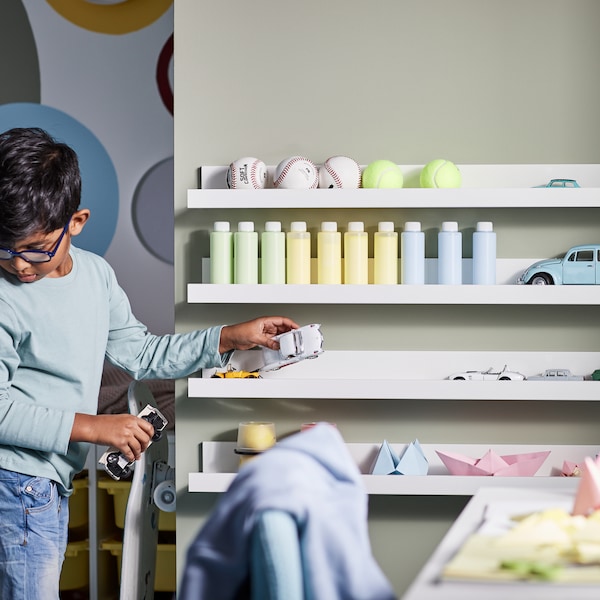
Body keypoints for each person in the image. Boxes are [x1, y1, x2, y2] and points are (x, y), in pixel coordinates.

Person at [0, 126, 298, 599]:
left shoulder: (96, 276)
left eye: (35, 248)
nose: (19, 264)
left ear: (76, 222)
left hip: (48, 482)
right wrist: (96, 427)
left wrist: (227, 336)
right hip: (14, 480)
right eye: (5, 248)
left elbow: (142, 353)